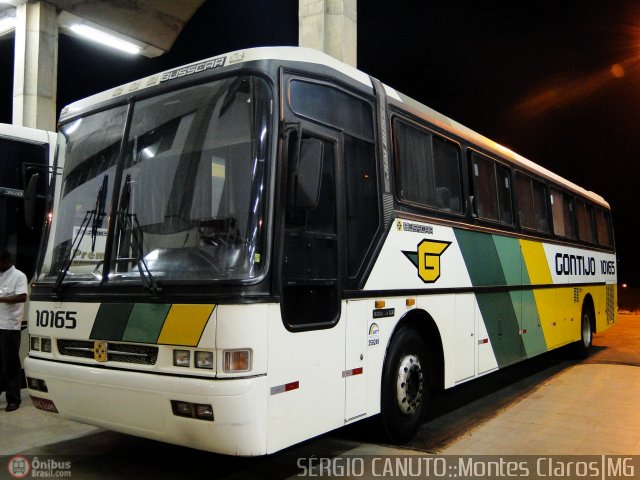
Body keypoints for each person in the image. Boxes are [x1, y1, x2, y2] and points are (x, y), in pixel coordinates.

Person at [0, 250, 28, 412]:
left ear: (6, 261)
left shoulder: (19, 276)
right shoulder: (1, 275)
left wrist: (1, 298)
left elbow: (21, 297)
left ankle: (13, 399)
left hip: (10, 327)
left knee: (10, 365)